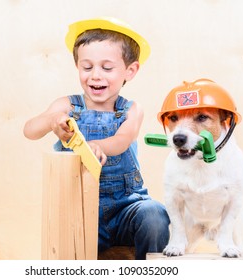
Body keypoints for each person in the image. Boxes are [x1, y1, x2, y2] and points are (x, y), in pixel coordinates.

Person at [23, 17, 170, 260]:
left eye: (107, 68)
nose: (95, 76)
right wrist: (52, 121)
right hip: (78, 213)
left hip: (127, 208)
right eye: (87, 67)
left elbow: (122, 139)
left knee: (154, 214)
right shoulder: (67, 105)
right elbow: (30, 130)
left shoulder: (131, 110)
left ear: (130, 71)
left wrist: (97, 146)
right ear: (77, 67)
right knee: (63, 236)